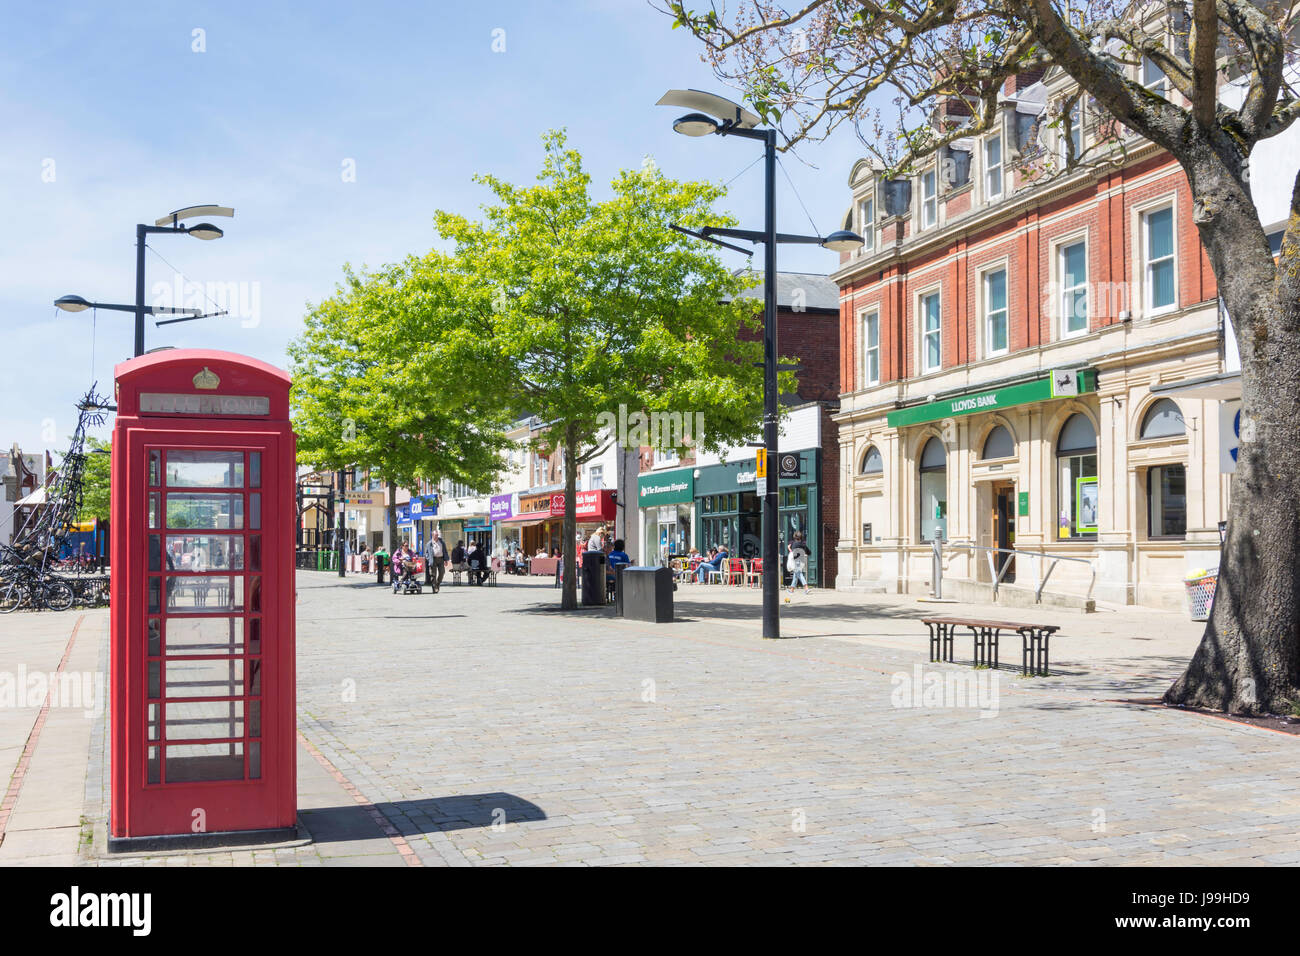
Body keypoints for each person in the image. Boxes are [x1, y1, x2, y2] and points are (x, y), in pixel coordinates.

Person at [787, 531, 811, 595]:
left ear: (795, 537)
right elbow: (809, 552)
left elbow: (793, 553)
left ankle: (806, 588)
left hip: (796, 561)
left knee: (799, 574)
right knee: (796, 575)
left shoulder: (794, 544)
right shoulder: (803, 544)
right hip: (802, 561)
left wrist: (789, 548)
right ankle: (792, 590)